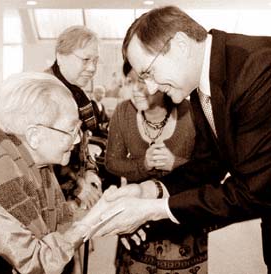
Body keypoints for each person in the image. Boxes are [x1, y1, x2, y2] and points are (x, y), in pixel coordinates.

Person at [85, 5, 271, 272]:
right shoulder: (198, 85)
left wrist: (154, 209)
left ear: (180, 45)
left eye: (148, 73)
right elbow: (207, 165)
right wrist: (146, 191)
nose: (149, 88)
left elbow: (255, 190)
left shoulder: (258, 68)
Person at [0, 72, 106, 274]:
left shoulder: (38, 167)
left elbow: (58, 222)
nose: (77, 140)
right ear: (34, 136)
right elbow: (37, 261)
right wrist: (90, 222)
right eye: (71, 130)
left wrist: (102, 212)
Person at [106, 61, 209, 274]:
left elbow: (210, 168)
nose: (135, 90)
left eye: (142, 81)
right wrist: (142, 165)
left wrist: (175, 163)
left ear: (161, 83)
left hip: (182, 221)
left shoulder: (190, 113)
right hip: (137, 223)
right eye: (129, 82)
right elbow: (112, 163)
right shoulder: (123, 112)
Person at [45, 25, 102, 209]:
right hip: (51, 199)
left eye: (95, 60)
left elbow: (83, 144)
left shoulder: (77, 93)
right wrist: (78, 187)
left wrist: (91, 172)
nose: (92, 68)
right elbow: (43, 159)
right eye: (85, 59)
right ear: (61, 56)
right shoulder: (44, 93)